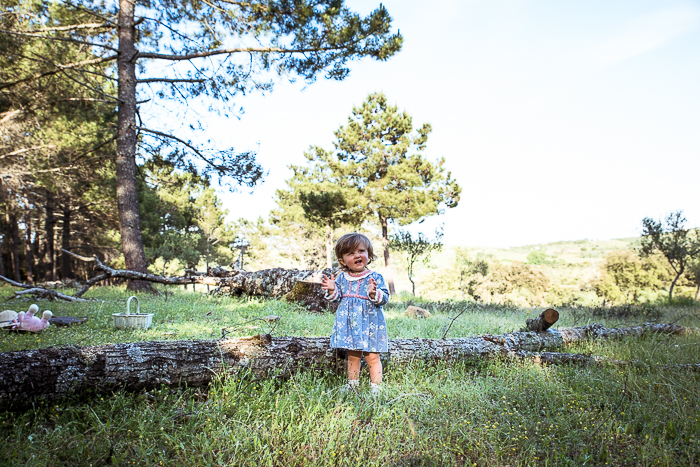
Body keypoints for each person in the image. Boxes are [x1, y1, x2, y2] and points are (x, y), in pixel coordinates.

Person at [321, 233, 390, 395]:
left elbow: (385, 298)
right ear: (342, 261)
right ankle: (352, 385)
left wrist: (374, 294)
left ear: (369, 254)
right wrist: (332, 289)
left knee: (372, 356)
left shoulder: (375, 277)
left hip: (370, 324)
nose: (357, 255)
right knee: (353, 356)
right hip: (350, 326)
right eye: (350, 253)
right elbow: (336, 298)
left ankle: (376, 387)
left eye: (361, 251)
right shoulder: (341, 278)